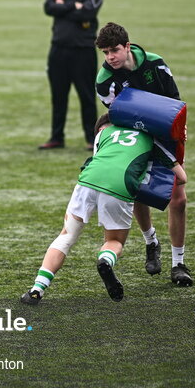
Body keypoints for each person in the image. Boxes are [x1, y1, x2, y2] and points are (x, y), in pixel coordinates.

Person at [21, 113, 176, 304]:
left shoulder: (102, 135)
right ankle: (106, 260)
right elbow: (180, 176)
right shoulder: (148, 135)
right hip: (119, 186)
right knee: (114, 240)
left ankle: (37, 289)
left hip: (87, 180)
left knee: (66, 236)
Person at [94, 22, 191, 286]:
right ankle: (151, 241)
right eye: (105, 52)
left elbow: (175, 100)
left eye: (114, 50)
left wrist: (178, 134)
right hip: (136, 137)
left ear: (128, 46)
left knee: (178, 199)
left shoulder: (155, 63)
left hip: (167, 133)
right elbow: (120, 118)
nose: (110, 57)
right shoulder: (105, 82)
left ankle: (178, 263)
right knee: (138, 191)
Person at [40, 0, 103, 151]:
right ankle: (56, 137)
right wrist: (73, 6)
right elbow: (48, 7)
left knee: (86, 96)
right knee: (58, 96)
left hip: (83, 51)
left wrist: (63, 7)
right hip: (58, 49)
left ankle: (92, 139)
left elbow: (89, 11)